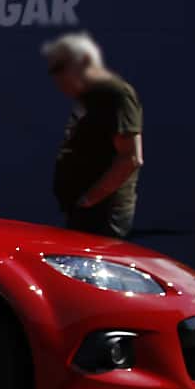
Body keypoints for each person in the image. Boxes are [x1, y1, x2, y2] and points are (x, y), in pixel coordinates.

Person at [45, 32, 142, 238]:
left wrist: (89, 199)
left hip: (103, 217)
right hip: (83, 213)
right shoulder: (88, 96)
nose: (56, 77)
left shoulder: (117, 95)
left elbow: (131, 158)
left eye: (61, 68)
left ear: (86, 61)